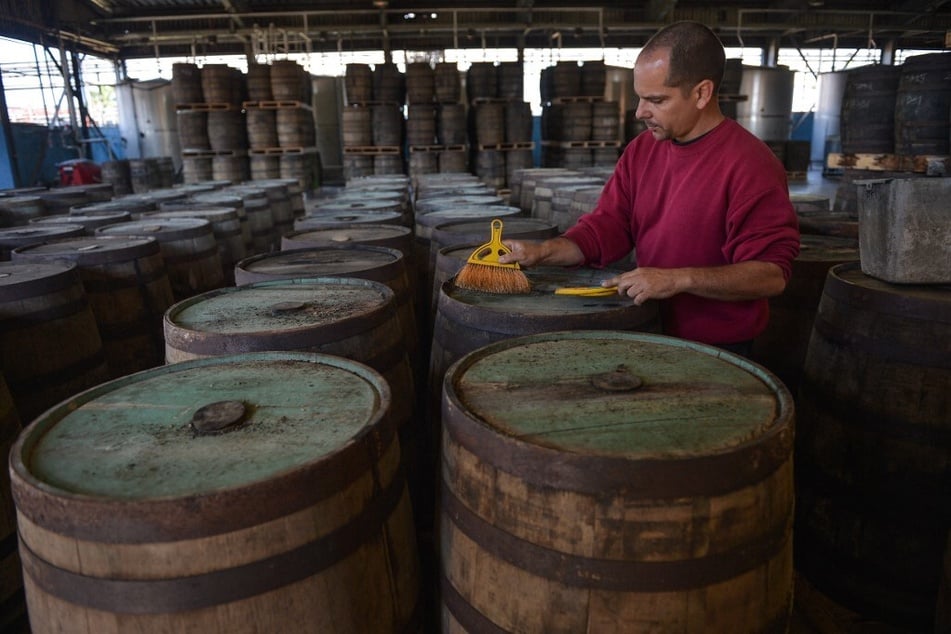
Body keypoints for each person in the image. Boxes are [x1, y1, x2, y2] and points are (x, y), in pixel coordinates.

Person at [500, 21, 800, 355]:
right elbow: (609, 227)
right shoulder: (642, 150)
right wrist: (543, 252)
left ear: (702, 93)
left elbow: (770, 275)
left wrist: (678, 279)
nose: (641, 111)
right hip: (647, 328)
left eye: (657, 100)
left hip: (717, 350)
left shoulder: (750, 164)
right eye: (640, 98)